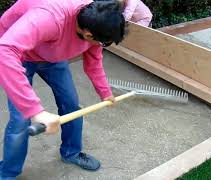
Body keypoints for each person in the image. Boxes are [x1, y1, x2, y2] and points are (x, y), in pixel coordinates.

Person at [0, 0, 126, 178]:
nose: (103, 46)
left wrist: (105, 92)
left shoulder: (95, 22)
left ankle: (71, 152)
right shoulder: (48, 18)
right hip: (17, 54)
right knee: (21, 119)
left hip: (52, 55)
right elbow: (4, 50)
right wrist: (35, 110)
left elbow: (94, 62)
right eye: (104, 43)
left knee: (72, 105)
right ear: (88, 34)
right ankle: (7, 173)